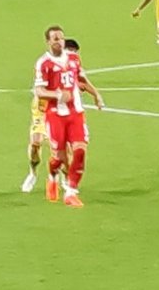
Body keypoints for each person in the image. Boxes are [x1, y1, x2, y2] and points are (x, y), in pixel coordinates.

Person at [33, 25, 105, 208]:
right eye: (55, 39)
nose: (59, 42)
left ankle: (71, 191)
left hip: (76, 113)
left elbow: (81, 79)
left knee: (80, 150)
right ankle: (52, 177)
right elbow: (39, 90)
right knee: (58, 156)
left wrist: (96, 94)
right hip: (56, 115)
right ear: (48, 42)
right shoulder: (43, 63)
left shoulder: (73, 59)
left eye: (61, 38)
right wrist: (57, 95)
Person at [23, 37, 83, 194]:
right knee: (35, 143)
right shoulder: (47, 65)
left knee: (64, 152)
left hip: (58, 114)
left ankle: (65, 179)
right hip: (42, 111)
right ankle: (32, 174)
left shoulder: (67, 69)